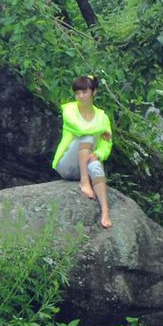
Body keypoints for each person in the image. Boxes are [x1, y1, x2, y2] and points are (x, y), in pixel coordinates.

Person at [52, 75, 113, 228]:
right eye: (77, 93)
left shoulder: (102, 116)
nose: (80, 96)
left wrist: (98, 155)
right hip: (68, 164)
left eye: (84, 92)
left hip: (86, 161)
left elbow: (107, 143)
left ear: (94, 92)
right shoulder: (69, 110)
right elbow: (81, 129)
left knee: (96, 166)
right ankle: (85, 182)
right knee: (87, 136)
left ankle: (105, 213)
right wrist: (101, 130)